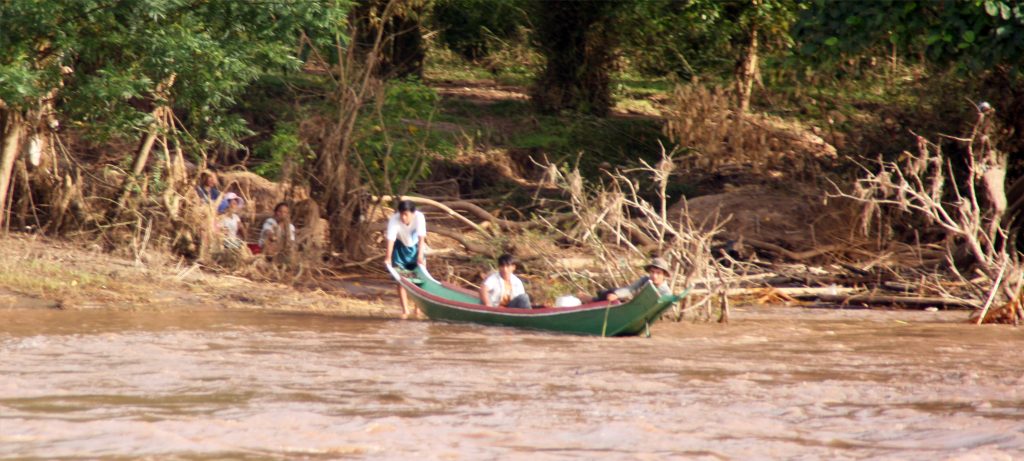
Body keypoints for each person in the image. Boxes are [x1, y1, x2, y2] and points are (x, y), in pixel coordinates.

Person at [385, 200, 428, 319]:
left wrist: (420, 255)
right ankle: (405, 311)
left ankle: (417, 309)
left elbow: (421, 238)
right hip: (400, 248)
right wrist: (388, 257)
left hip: (416, 248)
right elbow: (391, 239)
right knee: (401, 279)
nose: (403, 217)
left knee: (419, 279)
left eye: (406, 215)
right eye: (402, 214)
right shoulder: (394, 219)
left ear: (413, 213)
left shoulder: (419, 217)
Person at [590, 257, 672, 303]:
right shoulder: (645, 280)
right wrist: (616, 295)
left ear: (664, 275)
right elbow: (630, 289)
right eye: (652, 272)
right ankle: (591, 299)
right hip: (630, 302)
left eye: (658, 273)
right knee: (608, 293)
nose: (654, 276)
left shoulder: (666, 291)